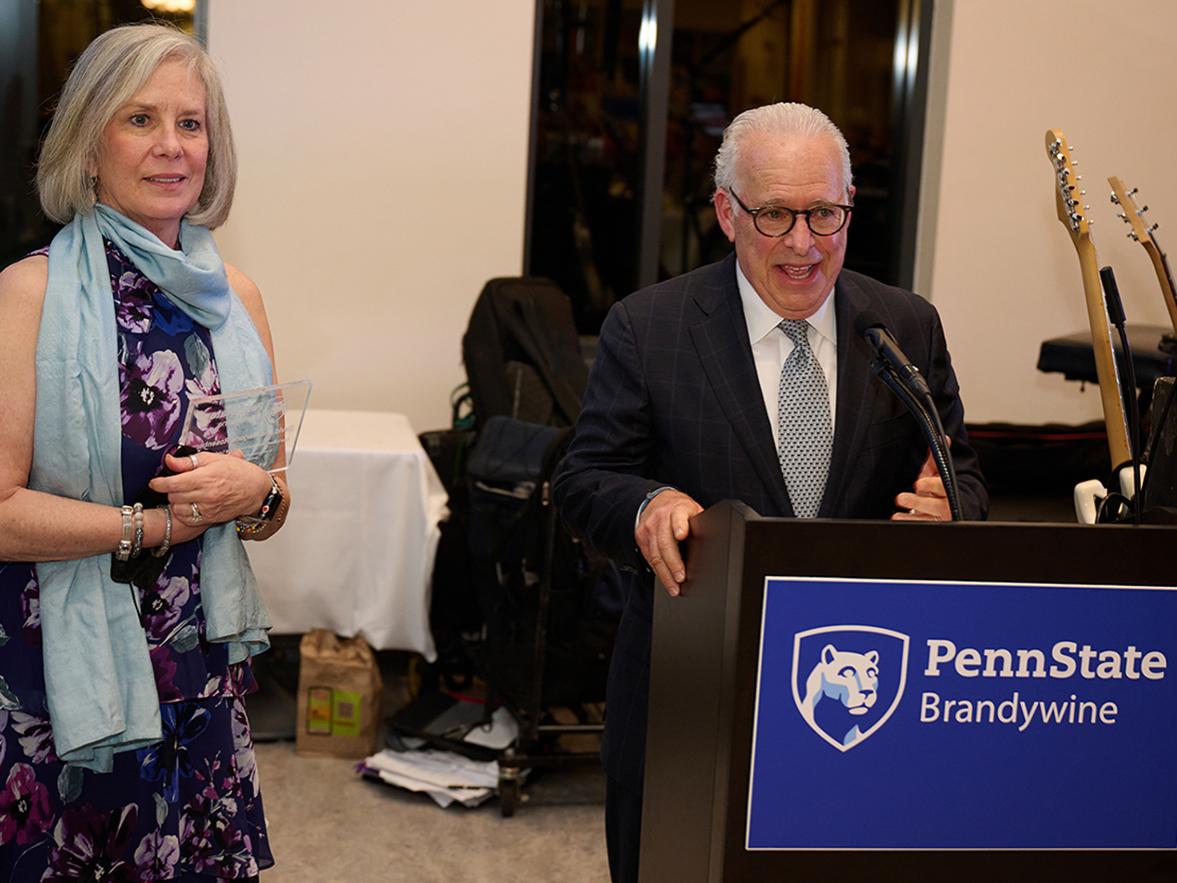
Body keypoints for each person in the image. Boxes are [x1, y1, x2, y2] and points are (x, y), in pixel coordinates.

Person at [551, 102, 988, 882]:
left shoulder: (904, 326)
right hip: (691, 700)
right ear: (725, 212)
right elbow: (585, 480)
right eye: (775, 214)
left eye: (823, 213)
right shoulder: (647, 328)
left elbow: (963, 473)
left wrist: (953, 506)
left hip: (860, 708)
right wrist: (646, 505)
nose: (802, 243)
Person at [0, 23, 286, 880]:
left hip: (199, 667)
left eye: (191, 124)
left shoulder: (236, 297)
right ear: (88, 145)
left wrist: (255, 492)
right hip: (61, 671)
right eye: (139, 120)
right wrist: (156, 525)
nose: (172, 147)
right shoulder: (28, 295)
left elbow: (271, 505)